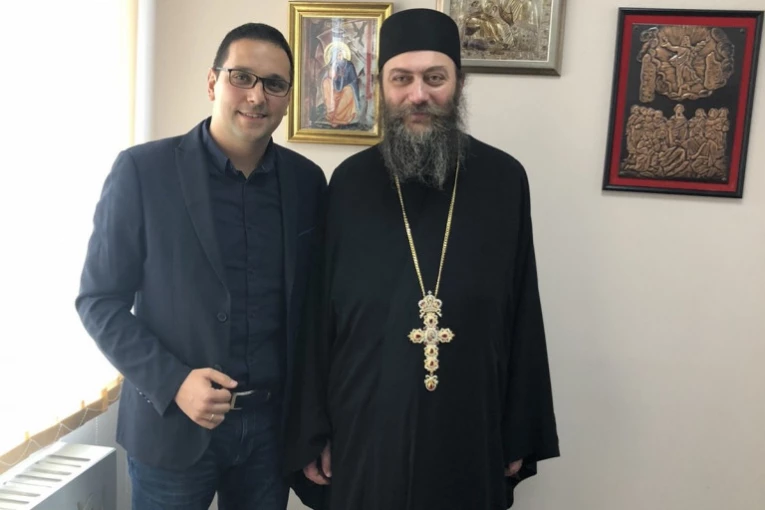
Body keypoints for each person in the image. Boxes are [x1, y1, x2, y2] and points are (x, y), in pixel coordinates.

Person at [287, 8, 559, 510]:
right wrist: (314, 429)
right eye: (402, 78)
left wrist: (520, 428)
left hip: (470, 420)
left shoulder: (504, 180)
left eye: (435, 78)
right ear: (380, 86)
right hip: (365, 426)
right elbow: (318, 318)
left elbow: (524, 309)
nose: (418, 94)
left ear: (459, 84)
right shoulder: (348, 184)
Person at [76, 23, 327, 510]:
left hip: (270, 432)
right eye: (242, 77)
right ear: (213, 82)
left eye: (274, 84)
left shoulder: (307, 183)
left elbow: (314, 306)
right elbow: (98, 301)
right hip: (172, 425)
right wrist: (173, 382)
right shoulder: (142, 171)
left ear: (288, 99)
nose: (257, 96)